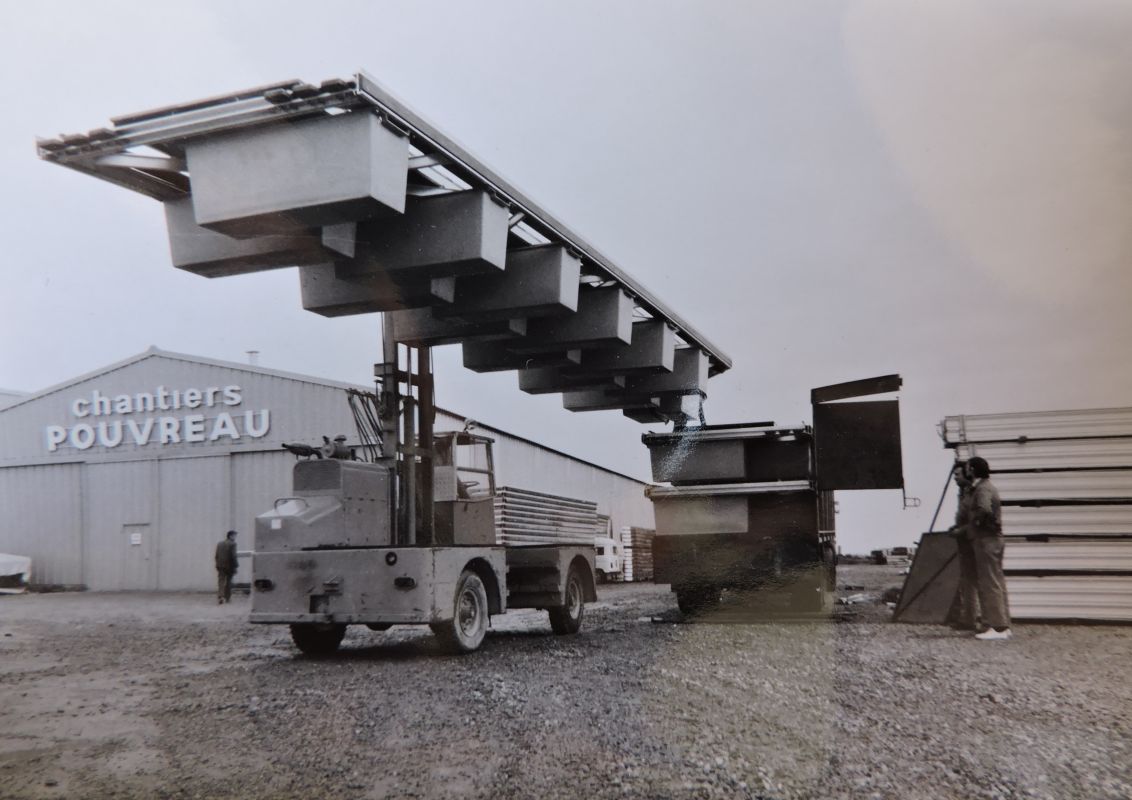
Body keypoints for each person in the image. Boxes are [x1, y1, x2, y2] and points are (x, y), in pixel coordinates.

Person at [962, 457, 1011, 640]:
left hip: (986, 540)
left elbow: (984, 509)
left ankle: (997, 627)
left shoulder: (982, 489)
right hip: (992, 539)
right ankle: (1003, 625)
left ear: (973, 470)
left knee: (989, 583)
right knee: (996, 582)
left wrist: (975, 523)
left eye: (967, 468)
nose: (966, 471)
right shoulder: (987, 486)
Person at [947, 462, 980, 631]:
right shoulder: (963, 493)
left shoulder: (973, 493)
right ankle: (969, 618)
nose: (955, 478)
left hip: (972, 541)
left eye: (957, 475)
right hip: (965, 541)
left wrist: (960, 530)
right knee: (967, 582)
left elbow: (975, 520)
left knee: (974, 581)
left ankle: (978, 619)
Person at [215, 530, 238, 604]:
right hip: (229, 566)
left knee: (221, 581)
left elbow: (216, 555)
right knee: (228, 582)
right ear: (230, 536)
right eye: (234, 535)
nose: (235, 537)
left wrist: (217, 564)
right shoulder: (233, 544)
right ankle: (227, 598)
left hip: (220, 565)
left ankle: (220, 596)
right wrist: (236, 566)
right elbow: (233, 556)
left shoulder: (220, 544)